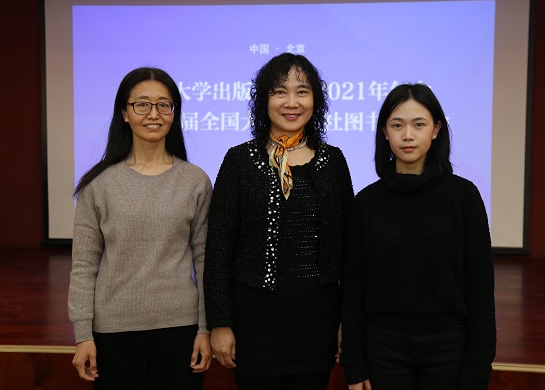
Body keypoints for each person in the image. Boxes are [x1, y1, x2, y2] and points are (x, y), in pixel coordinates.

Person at [203, 53, 354, 390]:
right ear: (264, 100)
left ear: (315, 100)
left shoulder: (333, 161)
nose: (291, 102)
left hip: (317, 322)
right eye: (279, 91)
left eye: (302, 91)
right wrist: (220, 323)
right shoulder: (239, 160)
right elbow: (218, 250)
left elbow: (350, 251)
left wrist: (348, 321)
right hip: (254, 323)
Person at [340, 83, 496, 390]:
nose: (408, 135)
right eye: (397, 125)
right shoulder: (367, 202)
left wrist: (478, 369)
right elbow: (354, 288)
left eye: (419, 125)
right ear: (384, 132)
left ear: (436, 129)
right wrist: (353, 362)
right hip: (383, 347)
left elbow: (481, 288)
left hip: (449, 346)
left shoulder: (464, 197)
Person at [68, 67, 213, 390]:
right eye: (142, 104)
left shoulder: (195, 181)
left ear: (174, 113)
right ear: (125, 112)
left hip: (181, 329)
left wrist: (205, 328)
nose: (154, 114)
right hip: (114, 331)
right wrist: (83, 334)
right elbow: (84, 265)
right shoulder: (99, 185)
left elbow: (205, 260)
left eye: (164, 105)